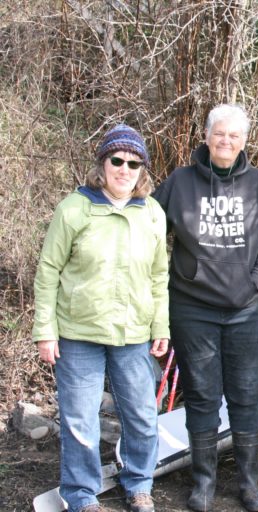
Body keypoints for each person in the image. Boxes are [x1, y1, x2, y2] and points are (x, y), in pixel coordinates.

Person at [153, 104, 258, 512]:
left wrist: (255, 281)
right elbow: (150, 233)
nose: (226, 141)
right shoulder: (179, 183)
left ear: (245, 141)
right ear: (206, 137)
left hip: (248, 309)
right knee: (202, 395)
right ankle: (204, 482)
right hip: (193, 308)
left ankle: (248, 483)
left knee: (247, 394)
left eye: (234, 135)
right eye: (219, 134)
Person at [32, 124, 169, 512]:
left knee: (142, 416)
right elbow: (48, 272)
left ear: (142, 169)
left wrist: (161, 325)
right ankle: (81, 494)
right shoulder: (74, 208)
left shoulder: (153, 213)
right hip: (79, 334)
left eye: (133, 162)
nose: (124, 169)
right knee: (80, 422)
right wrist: (46, 330)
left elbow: (160, 275)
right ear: (102, 164)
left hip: (133, 335)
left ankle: (139, 484)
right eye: (117, 160)